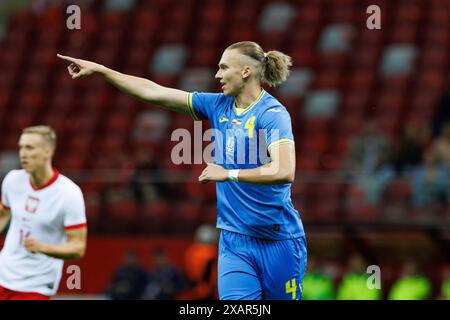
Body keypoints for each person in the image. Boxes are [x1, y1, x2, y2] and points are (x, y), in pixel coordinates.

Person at [57, 40, 307, 300]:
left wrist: (229, 174)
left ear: (245, 71)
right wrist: (102, 71)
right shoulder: (217, 105)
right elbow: (153, 92)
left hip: (278, 240)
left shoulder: (273, 113)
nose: (217, 75)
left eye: (224, 68)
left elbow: (284, 170)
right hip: (235, 241)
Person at [0, 126, 87, 300]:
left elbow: (78, 247)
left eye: (30, 148)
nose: (23, 153)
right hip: (3, 275)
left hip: (36, 286)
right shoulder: (12, 180)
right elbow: (3, 214)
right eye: (21, 147)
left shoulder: (69, 193)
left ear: (48, 151)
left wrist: (42, 247)